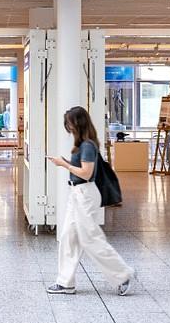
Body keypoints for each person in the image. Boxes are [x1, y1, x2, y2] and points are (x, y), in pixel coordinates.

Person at [47, 106, 136, 297]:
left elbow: (86, 174)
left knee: (90, 239)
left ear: (78, 123)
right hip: (77, 193)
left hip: (85, 194)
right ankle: (65, 282)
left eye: (70, 123)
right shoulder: (85, 144)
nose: (68, 127)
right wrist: (66, 163)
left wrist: (63, 164)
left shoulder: (87, 145)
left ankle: (123, 275)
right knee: (68, 237)